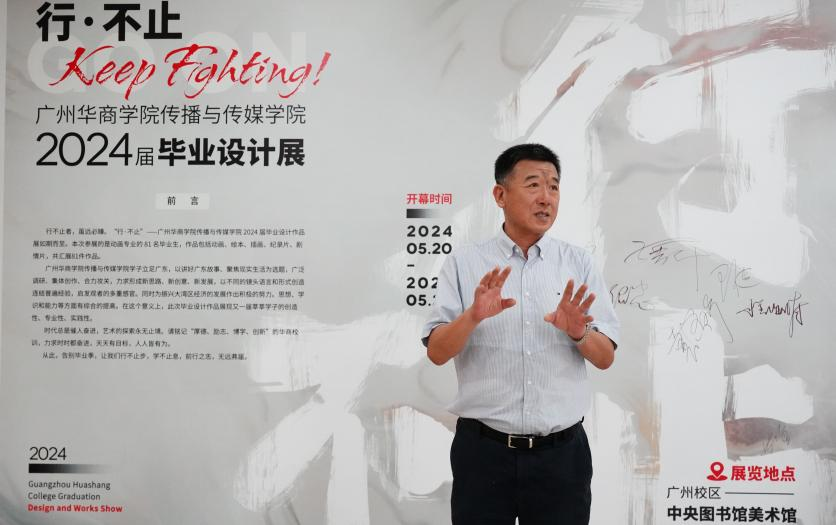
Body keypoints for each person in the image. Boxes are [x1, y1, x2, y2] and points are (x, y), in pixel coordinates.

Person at [421, 143, 620, 524]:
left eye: (554, 186)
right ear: (500, 195)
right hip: (483, 453)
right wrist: (473, 316)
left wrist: (579, 332)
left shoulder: (578, 262)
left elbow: (605, 357)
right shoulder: (465, 262)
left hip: (562, 456)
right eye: (533, 185)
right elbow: (437, 352)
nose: (546, 197)